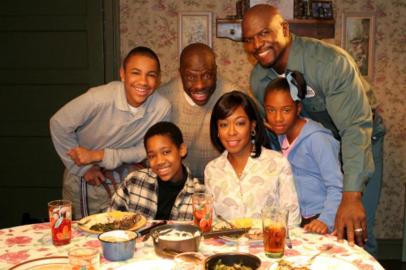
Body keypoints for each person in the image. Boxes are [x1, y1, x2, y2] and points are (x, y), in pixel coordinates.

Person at [242, 4, 385, 253]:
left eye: (264, 33)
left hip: (359, 139)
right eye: (249, 39)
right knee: (312, 227)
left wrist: (351, 195)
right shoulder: (260, 79)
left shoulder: (329, 63)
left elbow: (354, 127)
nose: (257, 45)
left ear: (284, 29)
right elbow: (278, 135)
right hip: (313, 146)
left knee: (356, 229)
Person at [50, 47, 171, 219]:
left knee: (128, 235)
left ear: (158, 79)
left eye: (151, 75)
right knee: (84, 239)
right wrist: (84, 168)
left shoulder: (162, 107)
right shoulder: (98, 98)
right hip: (86, 179)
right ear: (122, 74)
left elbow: (147, 150)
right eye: (136, 73)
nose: (143, 82)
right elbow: (59, 124)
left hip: (127, 180)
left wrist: (100, 155)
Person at [204, 91, 301, 225]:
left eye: (239, 123)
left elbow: (292, 219)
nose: (231, 132)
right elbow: (211, 223)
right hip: (226, 245)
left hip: (269, 244)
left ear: (252, 126)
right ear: (217, 131)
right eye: (224, 125)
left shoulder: (277, 162)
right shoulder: (212, 170)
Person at [264, 71, 342, 234]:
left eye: (286, 110)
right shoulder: (282, 135)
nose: (277, 118)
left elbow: (337, 186)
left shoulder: (318, 139)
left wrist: (325, 220)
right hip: (298, 221)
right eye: (271, 110)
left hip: (321, 220)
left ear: (298, 108)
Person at [158, 42, 241, 180]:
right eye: (191, 77)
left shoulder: (234, 98)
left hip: (222, 181)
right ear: (180, 73)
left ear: (216, 70)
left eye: (207, 76)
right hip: (176, 182)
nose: (199, 85)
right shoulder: (162, 100)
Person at [109, 121, 205, 220]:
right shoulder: (134, 181)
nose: (159, 161)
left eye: (166, 152)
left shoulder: (201, 193)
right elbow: (110, 221)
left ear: (182, 150)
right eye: (152, 156)